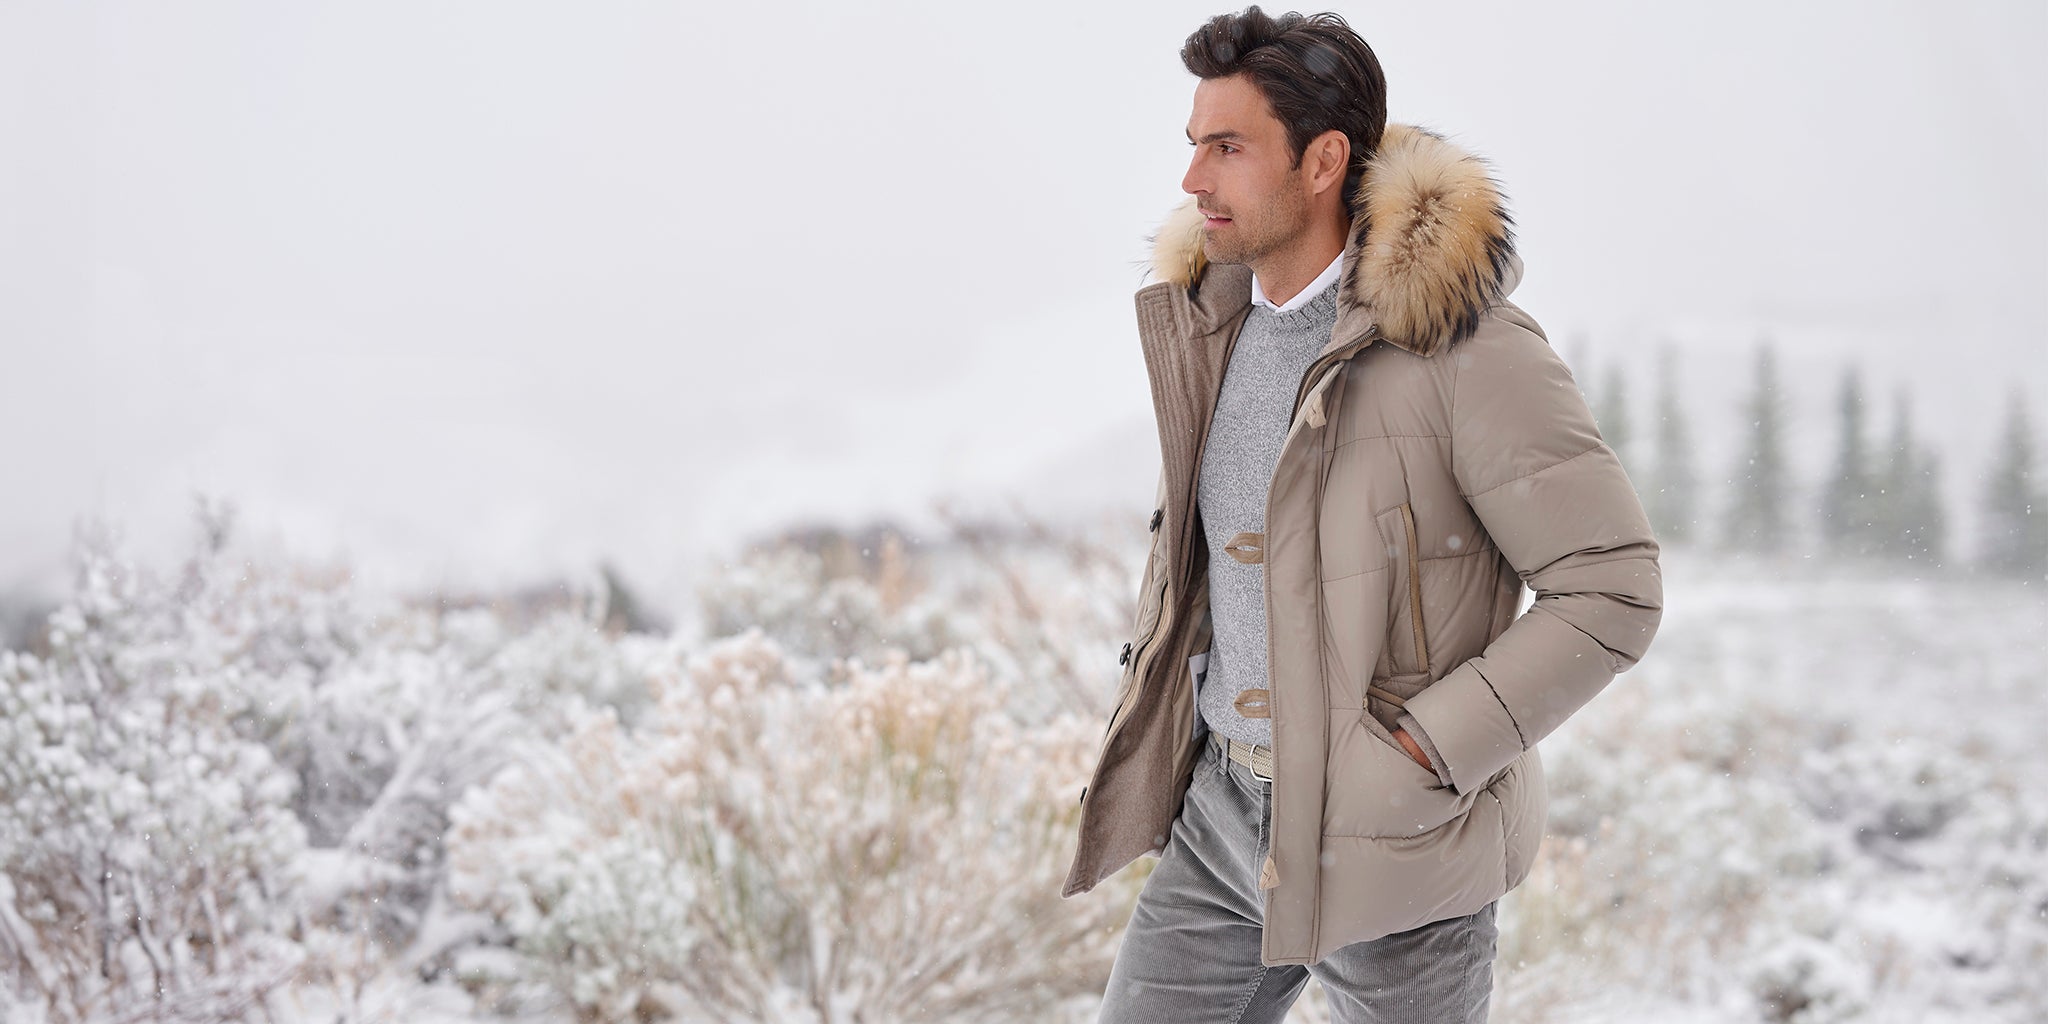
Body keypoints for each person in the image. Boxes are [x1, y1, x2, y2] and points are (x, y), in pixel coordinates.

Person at [1061, 7, 1665, 1022]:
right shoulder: (1207, 322)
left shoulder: (1463, 346)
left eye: (1225, 147)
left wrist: (1425, 754)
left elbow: (1612, 588)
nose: (1191, 181)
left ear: (1321, 160)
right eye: (1191, 146)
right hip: (1221, 820)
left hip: (1396, 846)